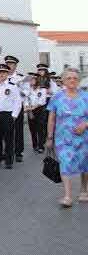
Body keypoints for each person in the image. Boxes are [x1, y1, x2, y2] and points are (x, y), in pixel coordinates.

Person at [45, 68, 88, 208]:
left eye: (75, 78)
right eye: (69, 78)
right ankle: (68, 196)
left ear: (79, 80)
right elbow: (51, 119)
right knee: (64, 163)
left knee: (84, 164)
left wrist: (85, 124)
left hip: (83, 137)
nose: (72, 80)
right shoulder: (56, 97)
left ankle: (83, 190)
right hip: (63, 138)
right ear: (63, 80)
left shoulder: (86, 96)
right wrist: (50, 138)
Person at [0, 63, 22, 170]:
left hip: (8, 115)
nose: (1, 75)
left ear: (7, 74)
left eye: (3, 73)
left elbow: (18, 102)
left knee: (8, 138)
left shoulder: (12, 86)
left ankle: (9, 160)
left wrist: (14, 116)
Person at [5, 55, 27, 163]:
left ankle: (18, 152)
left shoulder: (20, 77)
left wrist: (17, 88)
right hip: (5, 107)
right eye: (7, 64)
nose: (9, 66)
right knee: (6, 130)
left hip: (17, 106)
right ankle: (7, 151)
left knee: (18, 130)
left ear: (15, 65)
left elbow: (26, 92)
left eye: (11, 64)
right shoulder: (1, 77)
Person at [26, 73, 49, 154]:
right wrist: (28, 109)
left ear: (37, 80)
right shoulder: (28, 90)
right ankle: (35, 145)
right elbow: (26, 100)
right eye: (30, 79)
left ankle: (41, 146)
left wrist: (33, 107)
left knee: (40, 128)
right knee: (32, 129)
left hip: (39, 110)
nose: (31, 81)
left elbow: (42, 101)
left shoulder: (42, 89)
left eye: (33, 79)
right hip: (30, 110)